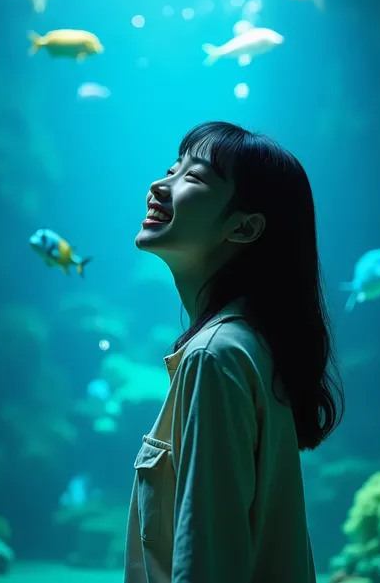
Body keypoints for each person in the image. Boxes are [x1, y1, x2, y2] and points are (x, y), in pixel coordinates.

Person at [124, 121, 344, 583]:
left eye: (194, 177)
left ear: (244, 227)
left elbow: (208, 557)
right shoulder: (250, 345)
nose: (159, 186)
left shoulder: (215, 357)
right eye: (171, 169)